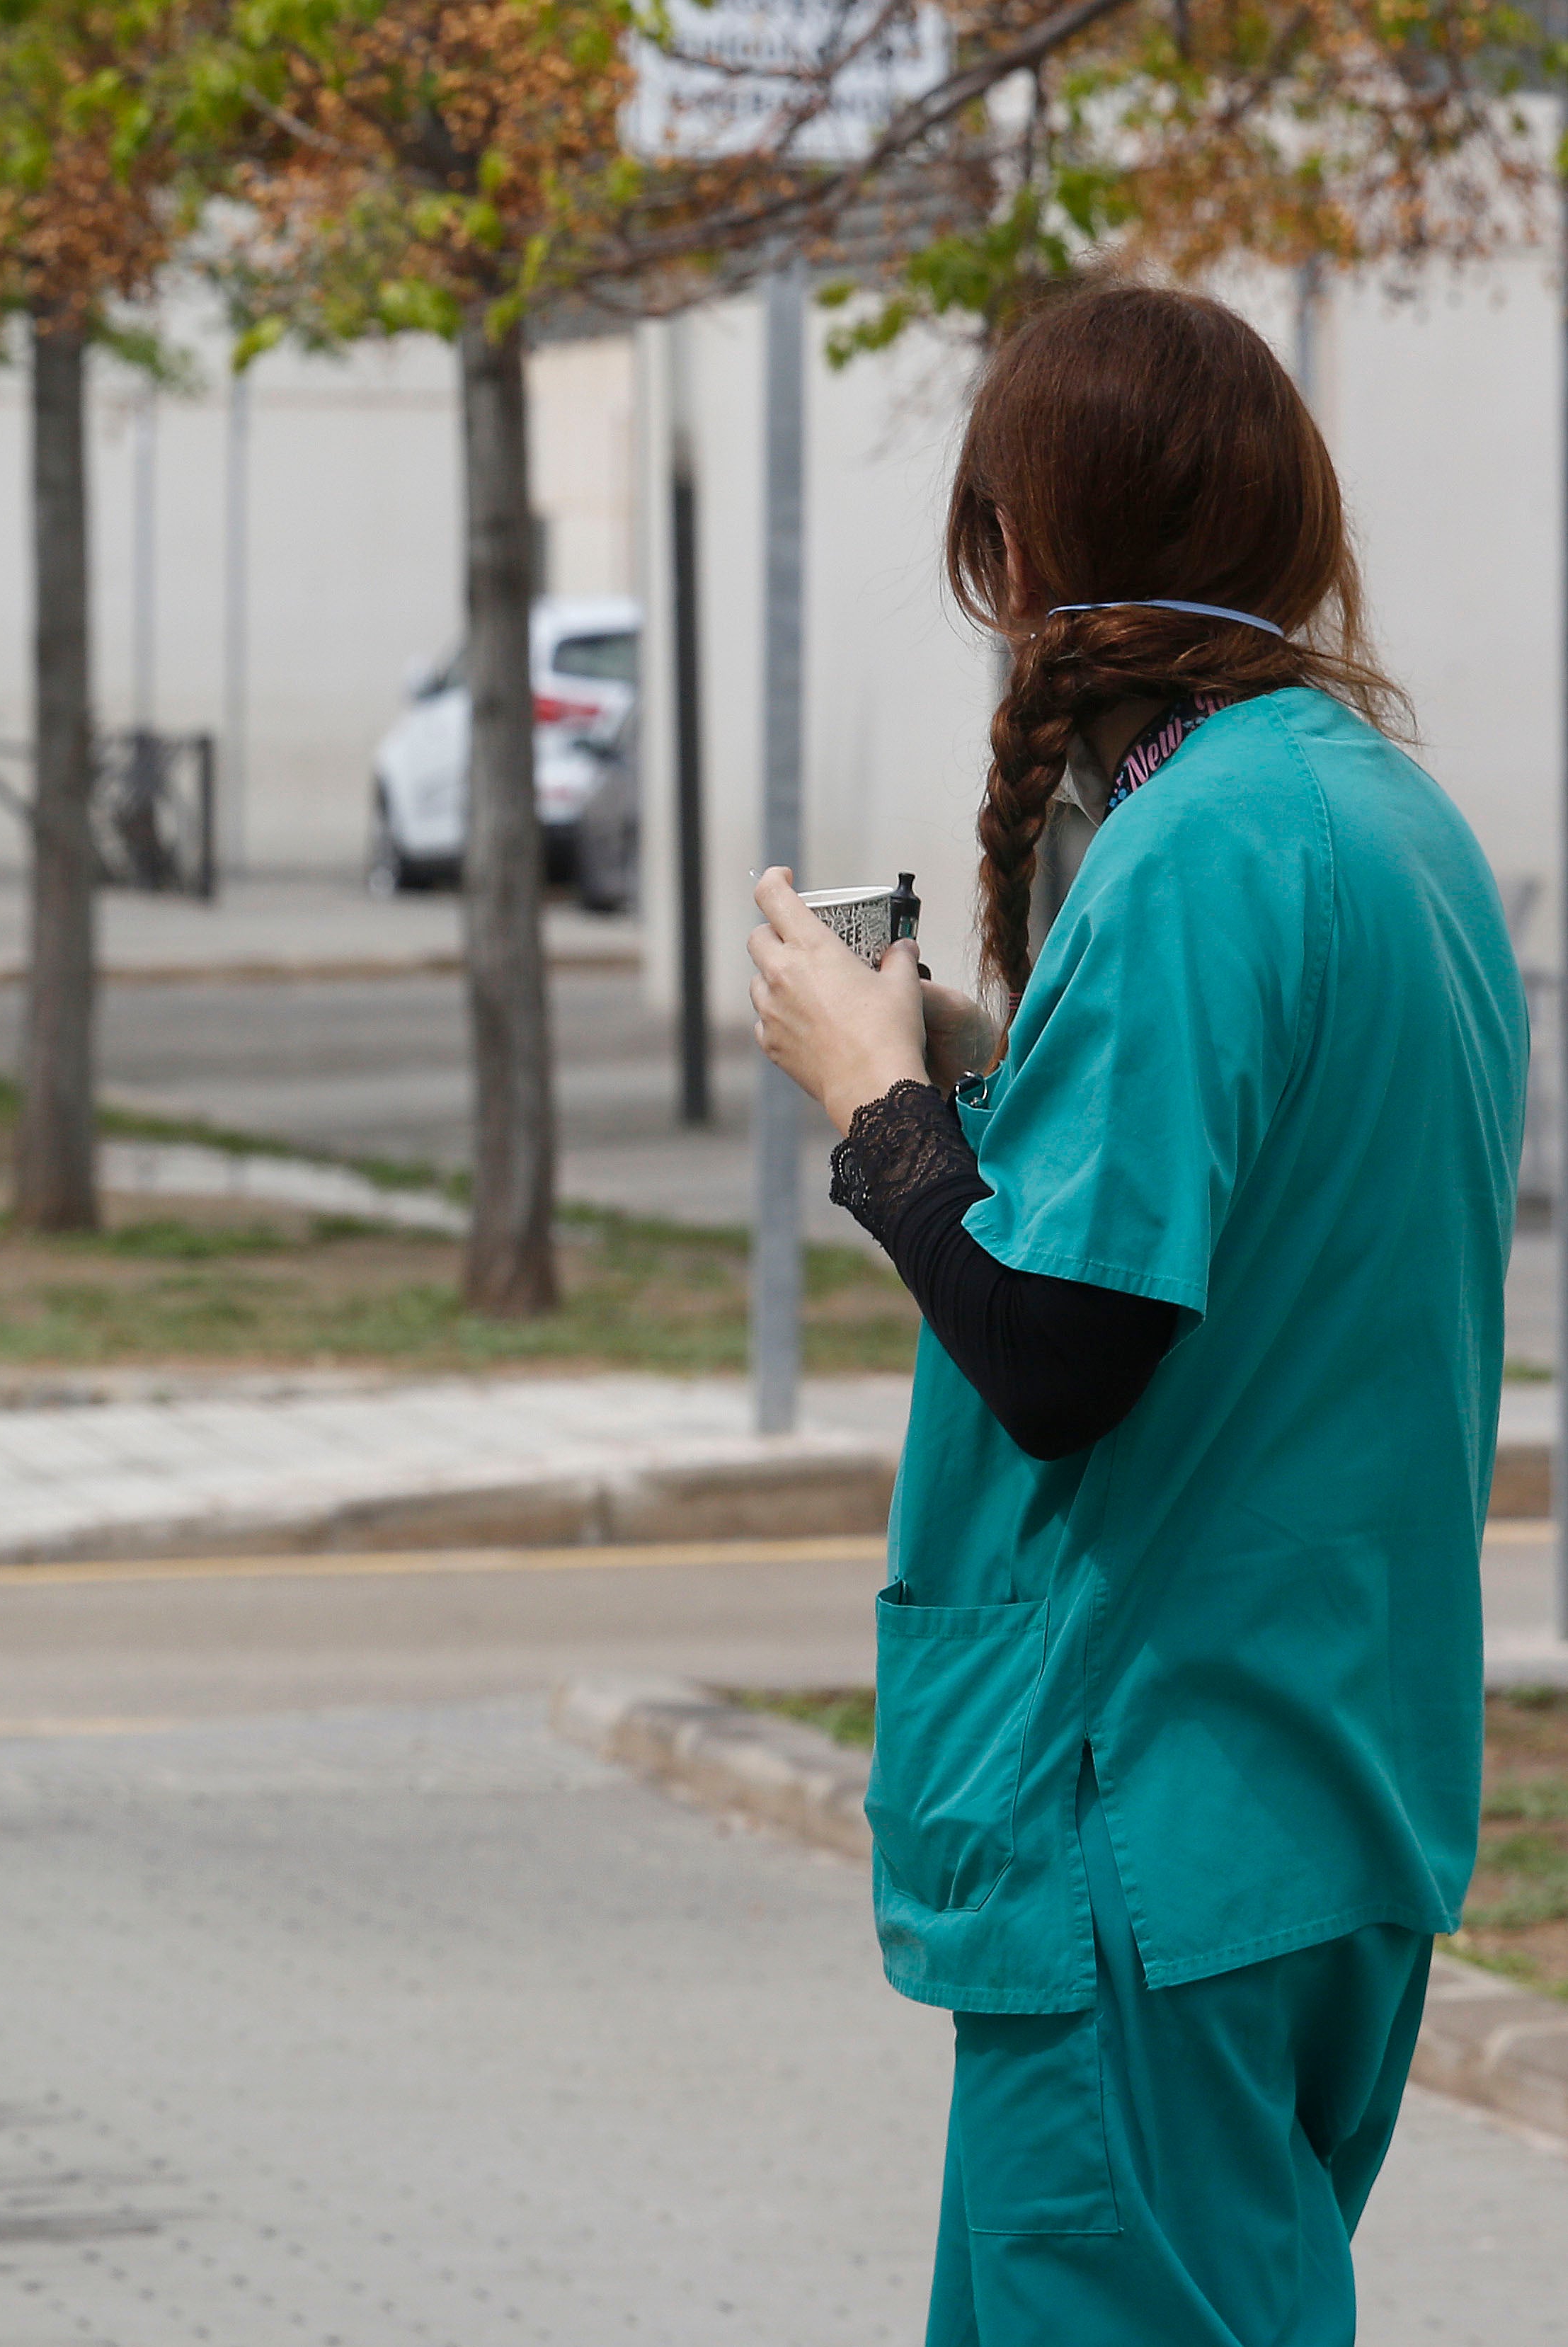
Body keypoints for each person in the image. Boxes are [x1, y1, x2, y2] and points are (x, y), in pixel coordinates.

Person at [746, 282, 1524, 2346]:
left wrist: (868, 1091)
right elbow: (1235, 1215)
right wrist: (979, 1058)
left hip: (1141, 1832)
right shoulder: (1386, 818)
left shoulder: (1195, 848)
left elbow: (1057, 1353)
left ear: (1010, 554)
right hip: (1323, 1807)